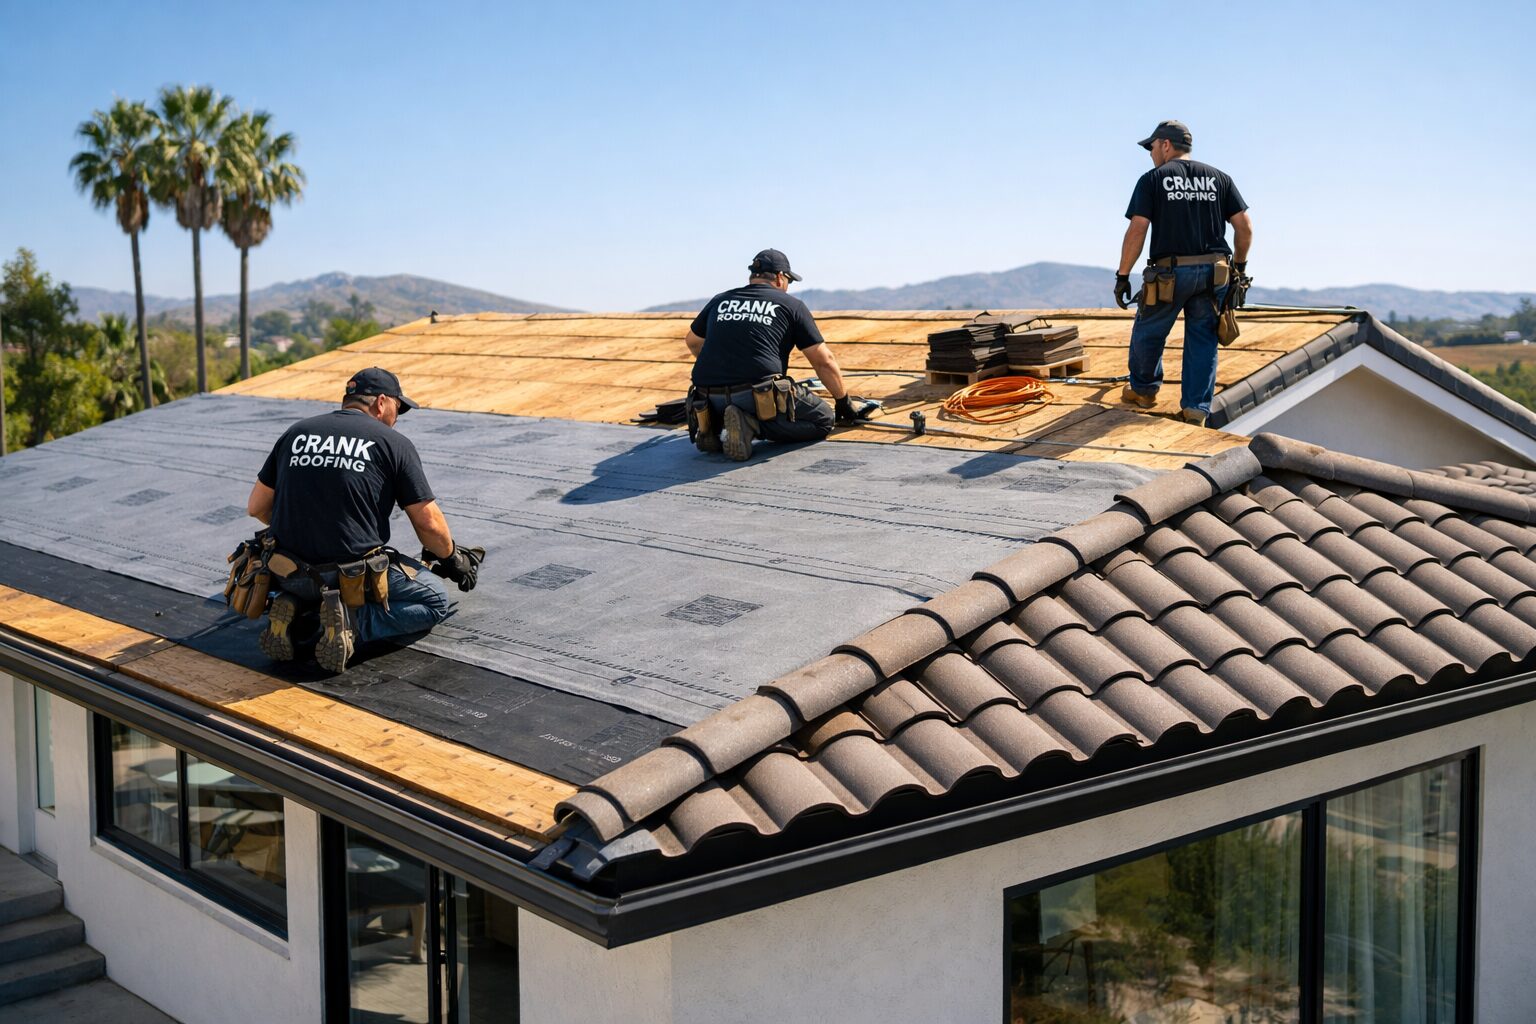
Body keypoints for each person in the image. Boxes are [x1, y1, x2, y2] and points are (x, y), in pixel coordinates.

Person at [245, 367, 482, 673]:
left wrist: (301, 527)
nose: (397, 418)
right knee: (434, 599)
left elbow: (256, 506)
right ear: (381, 402)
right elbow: (429, 525)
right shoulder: (392, 443)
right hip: (349, 579)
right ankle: (347, 624)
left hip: (288, 574)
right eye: (398, 409)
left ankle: (299, 609)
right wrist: (451, 558)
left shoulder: (296, 433)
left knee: (306, 578)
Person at [1113, 120, 1253, 426]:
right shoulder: (1220, 179)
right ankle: (1195, 409)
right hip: (1215, 273)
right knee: (1203, 338)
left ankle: (1144, 391)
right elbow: (1244, 227)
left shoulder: (1153, 179)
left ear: (1165, 145)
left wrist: (1123, 275)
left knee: (1149, 331)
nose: (1150, 154)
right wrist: (1239, 270)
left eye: (1151, 147)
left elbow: (1137, 230)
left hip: (1170, 274)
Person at [684, 248, 864, 462]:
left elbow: (692, 341)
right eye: (789, 281)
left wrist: (722, 367)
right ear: (780, 277)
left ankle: (713, 427)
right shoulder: (791, 305)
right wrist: (843, 402)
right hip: (756, 394)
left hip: (706, 397)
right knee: (823, 420)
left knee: (734, 402)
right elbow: (823, 361)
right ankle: (751, 426)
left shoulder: (720, 300)